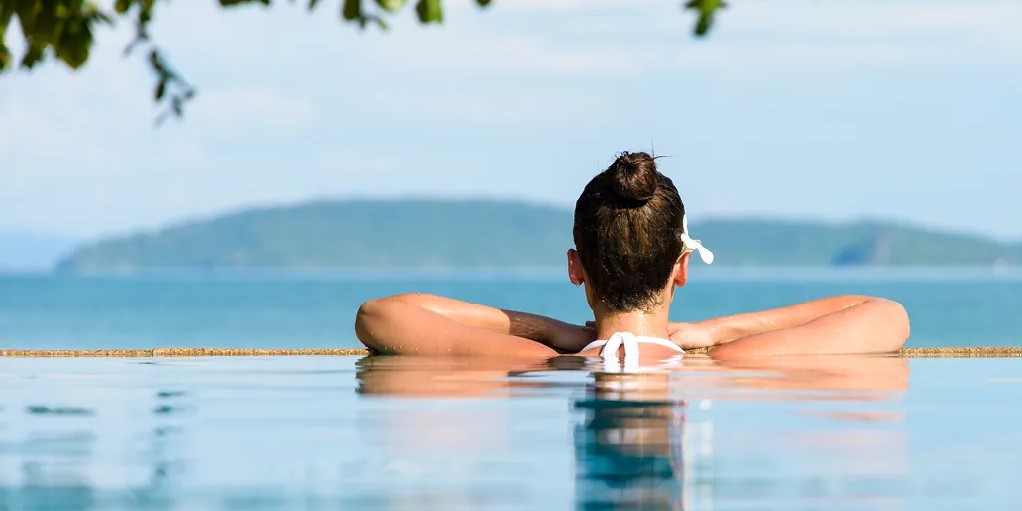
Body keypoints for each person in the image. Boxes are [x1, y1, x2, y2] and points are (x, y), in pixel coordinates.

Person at [354, 152, 910, 363]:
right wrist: (720, 331)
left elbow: (380, 314)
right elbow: (884, 312)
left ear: (576, 269)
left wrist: (550, 331)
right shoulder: (736, 364)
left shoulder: (535, 362)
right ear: (681, 269)